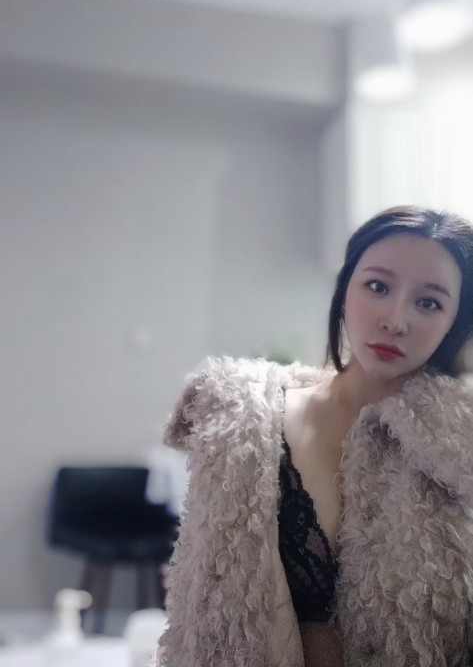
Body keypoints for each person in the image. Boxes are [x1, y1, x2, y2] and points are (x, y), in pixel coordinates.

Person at [156, 206, 473, 667]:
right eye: (378, 286)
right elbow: (198, 610)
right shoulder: (245, 426)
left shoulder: (458, 455)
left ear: (454, 323)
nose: (394, 320)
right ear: (345, 291)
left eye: (428, 303)